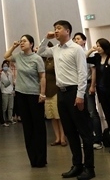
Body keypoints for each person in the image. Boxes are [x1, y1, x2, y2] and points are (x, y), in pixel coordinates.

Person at [39, 21, 95, 180]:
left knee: (84, 131)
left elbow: (82, 73)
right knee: (70, 131)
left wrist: (80, 95)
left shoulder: (76, 49)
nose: (55, 31)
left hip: (74, 92)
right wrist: (46, 37)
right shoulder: (55, 49)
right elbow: (40, 52)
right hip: (61, 93)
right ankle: (77, 165)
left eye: (59, 28)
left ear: (68, 31)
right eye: (54, 29)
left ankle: (89, 168)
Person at [4, 35, 47, 168]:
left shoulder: (37, 58)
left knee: (38, 126)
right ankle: (33, 158)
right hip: (21, 94)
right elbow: (6, 56)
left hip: (34, 95)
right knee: (27, 127)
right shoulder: (18, 56)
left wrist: (42, 93)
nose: (22, 43)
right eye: (21, 41)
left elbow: (42, 77)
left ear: (31, 44)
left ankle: (41, 158)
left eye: (24, 41)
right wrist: (14, 46)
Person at [74, 32, 104, 149]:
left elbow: (93, 70)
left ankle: (98, 139)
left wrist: (92, 85)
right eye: (75, 39)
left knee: (92, 112)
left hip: (88, 83)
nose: (76, 41)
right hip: (78, 85)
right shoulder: (75, 53)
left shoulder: (88, 53)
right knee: (83, 113)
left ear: (84, 41)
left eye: (78, 39)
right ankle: (88, 138)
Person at [42, 52, 67, 146]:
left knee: (59, 116)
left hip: (55, 90)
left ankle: (63, 137)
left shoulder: (55, 59)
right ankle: (57, 137)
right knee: (51, 116)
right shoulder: (43, 60)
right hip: (46, 91)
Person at [0, 60, 15, 125]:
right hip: (4, 92)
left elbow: (12, 82)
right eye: (4, 66)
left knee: (10, 107)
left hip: (11, 92)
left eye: (6, 66)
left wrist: (13, 89)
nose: (5, 67)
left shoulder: (10, 74)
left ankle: (10, 119)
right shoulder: (1, 74)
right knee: (4, 107)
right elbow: (6, 83)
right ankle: (3, 120)